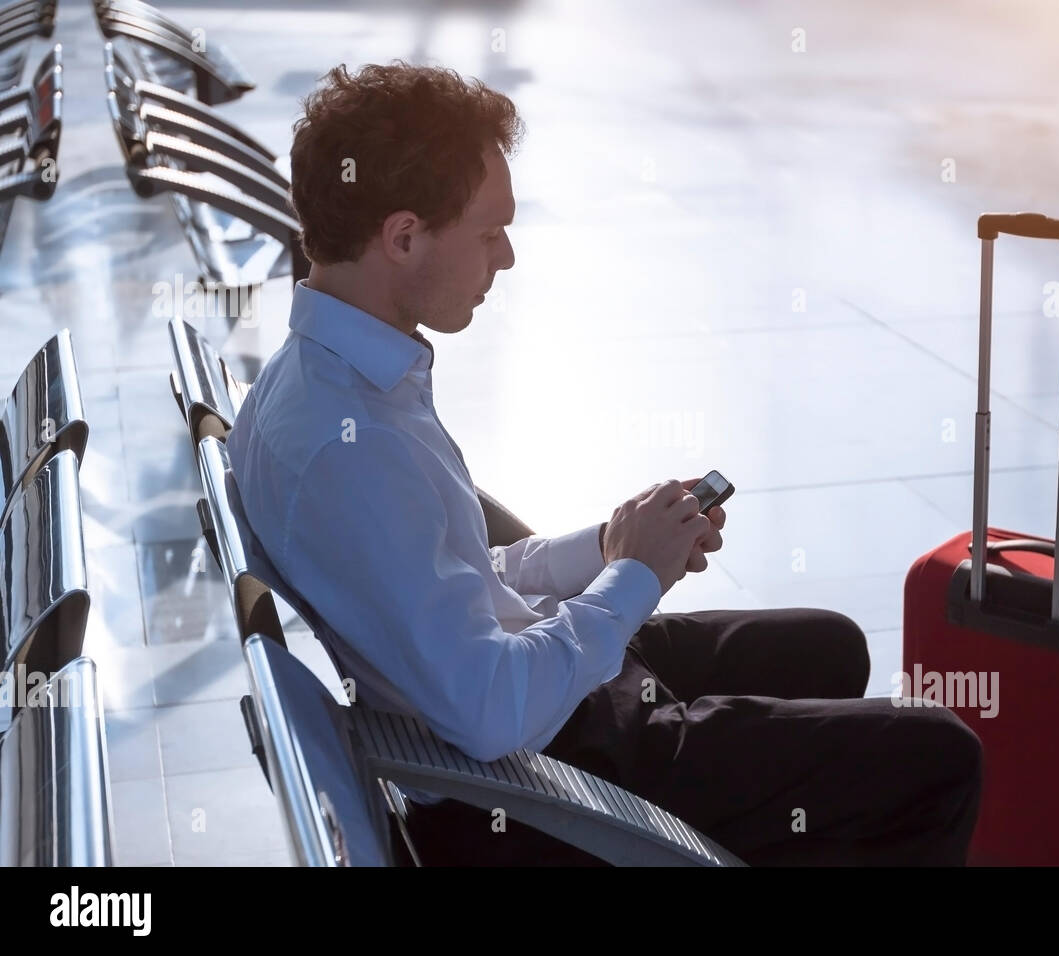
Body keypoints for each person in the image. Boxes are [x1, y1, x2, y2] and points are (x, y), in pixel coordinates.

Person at [226, 61, 982, 866]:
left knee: (829, 647)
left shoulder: (322, 379)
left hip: (542, 703)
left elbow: (448, 577)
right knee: (939, 757)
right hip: (543, 779)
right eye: (488, 233)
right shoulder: (355, 442)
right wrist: (633, 581)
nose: (507, 258)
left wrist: (615, 545)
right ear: (403, 236)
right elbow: (489, 708)